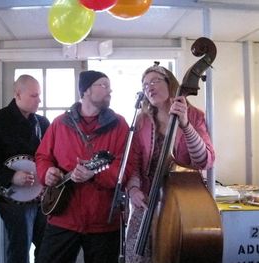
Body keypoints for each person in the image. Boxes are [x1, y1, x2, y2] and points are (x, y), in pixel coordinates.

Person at [35, 70, 131, 263]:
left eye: (109, 86)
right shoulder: (60, 123)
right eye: (103, 85)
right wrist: (47, 172)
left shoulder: (119, 125)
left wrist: (94, 175)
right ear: (86, 90)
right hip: (63, 217)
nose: (109, 90)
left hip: (103, 222)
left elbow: (125, 168)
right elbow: (42, 156)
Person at [124, 63, 215, 263]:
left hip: (181, 202)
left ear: (170, 83)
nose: (149, 87)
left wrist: (185, 125)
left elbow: (204, 160)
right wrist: (133, 190)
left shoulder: (193, 115)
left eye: (155, 80)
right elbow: (134, 163)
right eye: (145, 84)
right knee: (136, 256)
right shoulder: (142, 121)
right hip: (146, 202)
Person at [0, 75, 50, 263]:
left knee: (47, 249)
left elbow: (52, 157)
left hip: (43, 198)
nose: (39, 100)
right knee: (19, 250)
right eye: (34, 96)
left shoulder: (43, 123)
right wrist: (11, 176)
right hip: (12, 200)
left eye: (39, 95)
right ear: (18, 95)